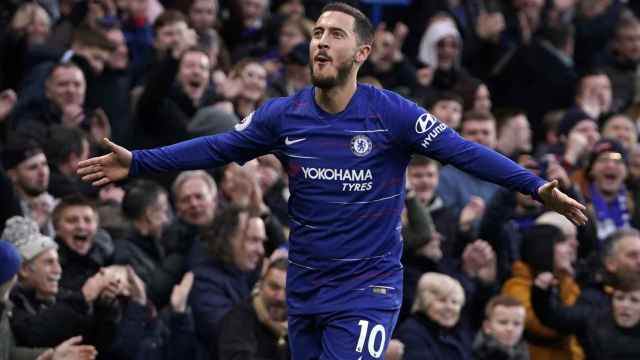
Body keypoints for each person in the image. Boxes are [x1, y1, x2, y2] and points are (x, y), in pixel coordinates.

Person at [77, 3, 587, 357]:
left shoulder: (392, 114)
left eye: (335, 34)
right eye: (317, 33)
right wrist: (140, 162)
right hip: (305, 286)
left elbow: (465, 152)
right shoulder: (283, 116)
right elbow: (217, 147)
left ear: (362, 53)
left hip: (369, 287)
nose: (321, 42)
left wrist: (534, 186)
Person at [473, 295, 529, 360]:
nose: (510, 328)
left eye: (517, 323)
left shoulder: (523, 354)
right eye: (503, 322)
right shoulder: (476, 354)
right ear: (487, 327)